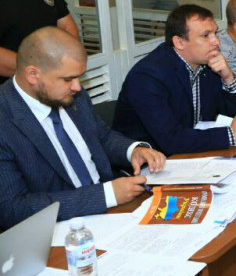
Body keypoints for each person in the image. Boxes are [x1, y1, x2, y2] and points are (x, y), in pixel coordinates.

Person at [0, 27, 164, 231]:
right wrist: (105, 195)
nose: (77, 87)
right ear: (33, 75)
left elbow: (101, 136)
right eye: (68, 79)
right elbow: (13, 209)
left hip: (114, 211)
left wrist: (132, 150)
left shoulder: (68, 92)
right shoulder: (5, 120)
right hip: (58, 230)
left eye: (79, 77)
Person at [113, 4, 236, 155]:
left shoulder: (207, 64)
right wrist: (230, 134)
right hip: (152, 160)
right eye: (205, 36)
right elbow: (171, 140)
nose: (216, 42)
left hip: (196, 152)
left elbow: (234, 115)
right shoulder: (147, 76)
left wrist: (228, 78)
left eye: (215, 33)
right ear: (179, 42)